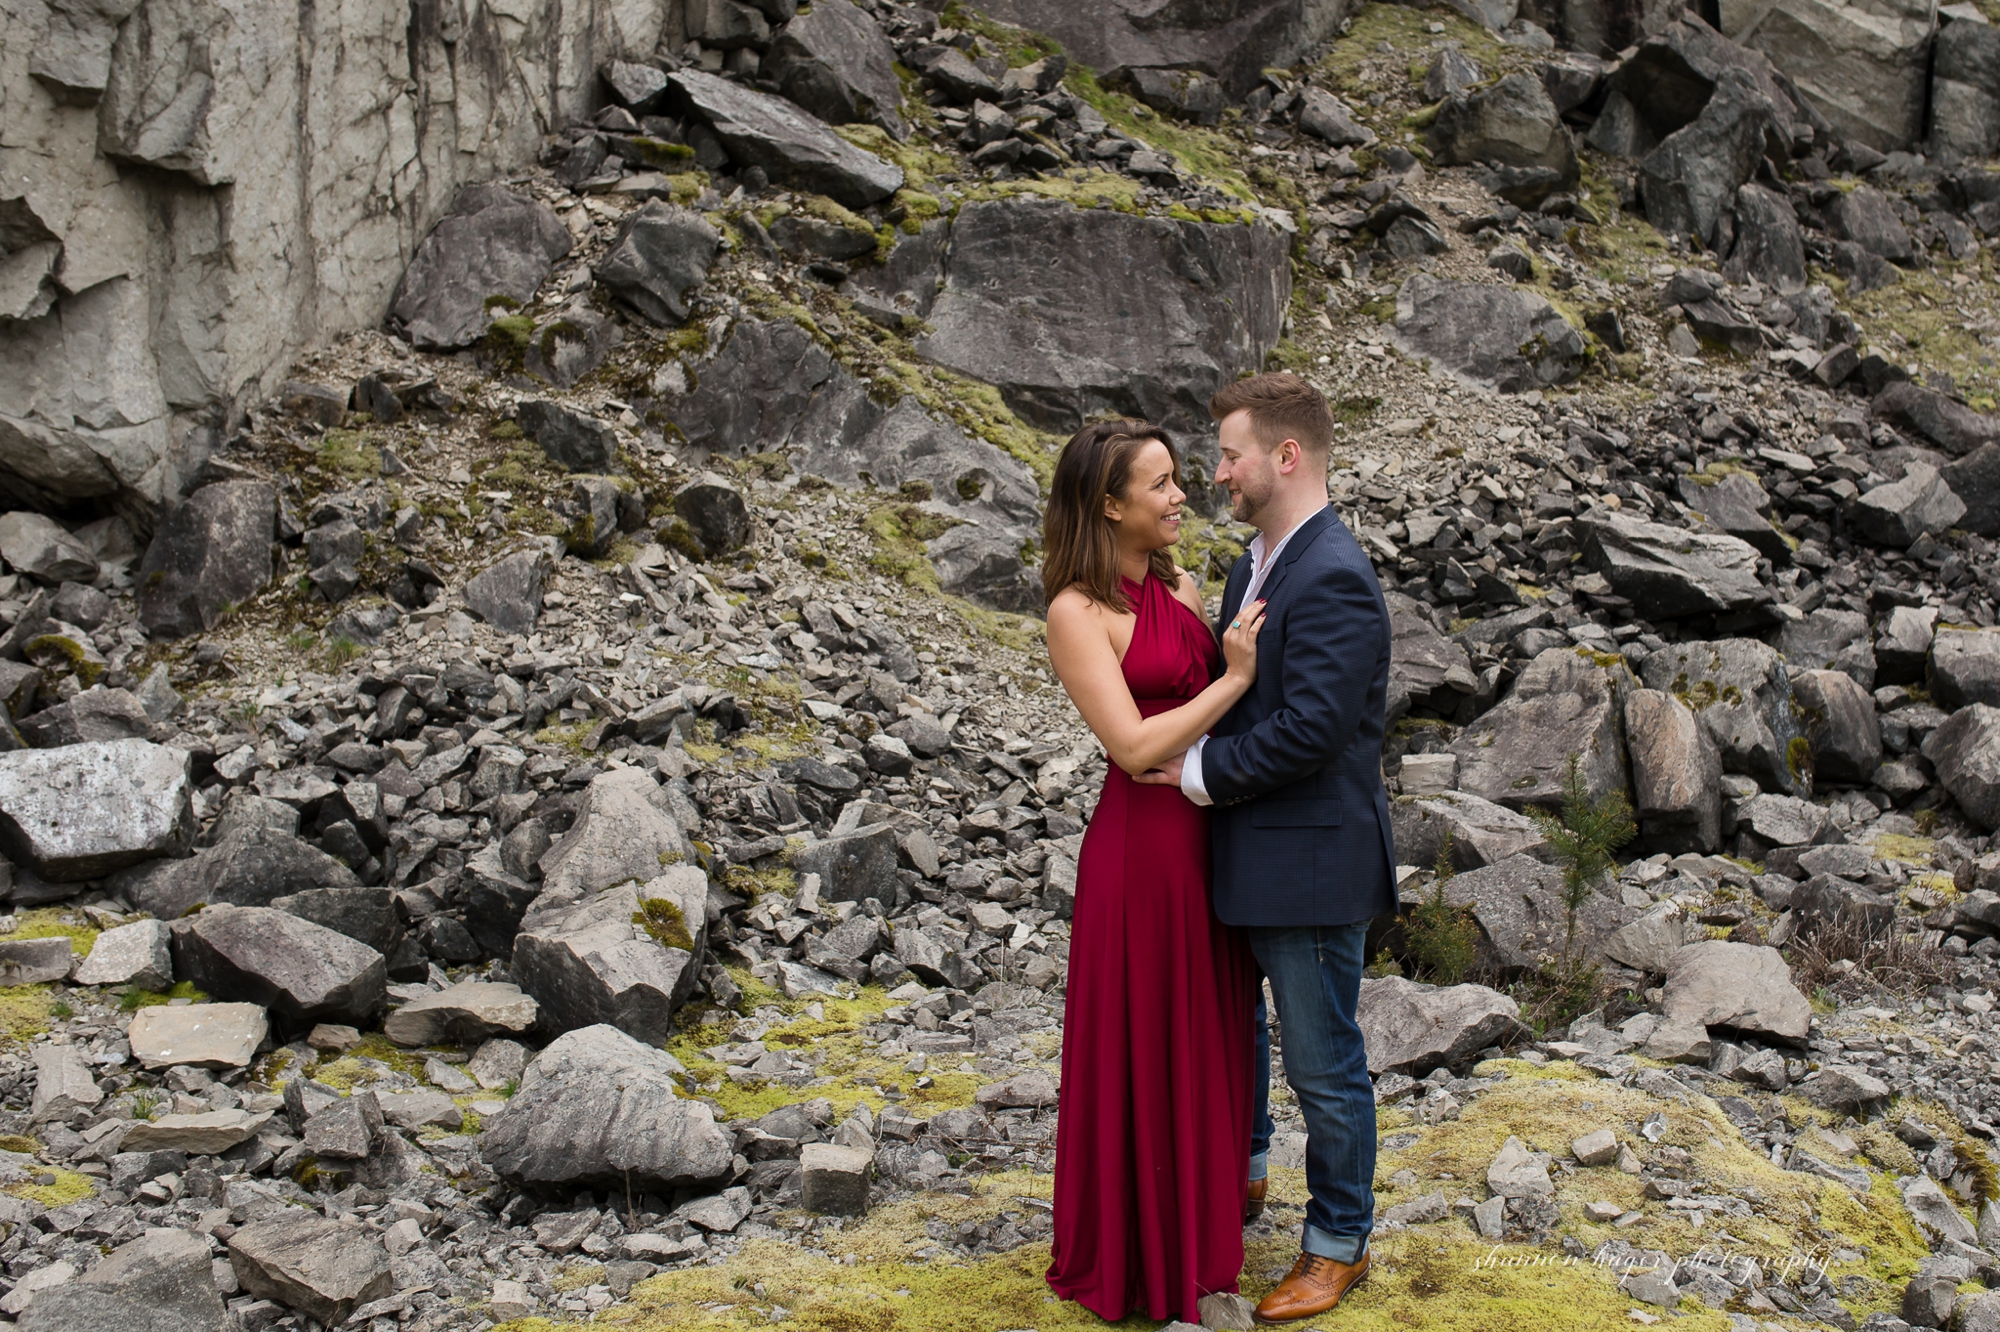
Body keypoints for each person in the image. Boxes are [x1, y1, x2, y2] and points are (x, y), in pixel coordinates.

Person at [1136, 372, 1398, 1325]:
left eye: (1230, 454)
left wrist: (1196, 771)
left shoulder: (1330, 571)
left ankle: (1338, 1243)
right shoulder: (1260, 559)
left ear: (1286, 456)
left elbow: (1315, 729)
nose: (1218, 474)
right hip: (1247, 856)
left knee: (1324, 1063)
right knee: (1240, 1034)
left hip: (1313, 863)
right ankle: (1242, 1184)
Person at [1040, 419, 1269, 1324]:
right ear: (1109, 504)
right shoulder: (1075, 612)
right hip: (1139, 854)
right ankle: (1138, 1255)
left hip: (1204, 839)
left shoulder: (1172, 579)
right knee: (1145, 1038)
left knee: (1207, 1035)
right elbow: (1130, 744)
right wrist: (1233, 683)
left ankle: (1199, 1235)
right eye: (1163, 484)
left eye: (1179, 479)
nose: (1182, 496)